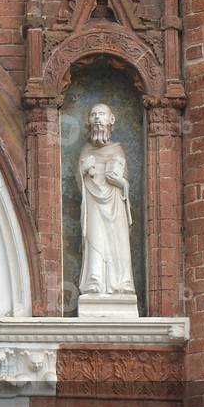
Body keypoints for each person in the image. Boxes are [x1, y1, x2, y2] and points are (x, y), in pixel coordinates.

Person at [78, 103, 135, 296]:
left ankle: (122, 282)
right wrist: (83, 170)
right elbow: (80, 184)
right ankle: (95, 280)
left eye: (101, 114)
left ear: (111, 120)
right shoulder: (86, 151)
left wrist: (119, 182)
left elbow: (125, 182)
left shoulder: (117, 150)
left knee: (117, 239)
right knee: (95, 237)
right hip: (93, 203)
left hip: (115, 204)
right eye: (93, 114)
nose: (96, 118)